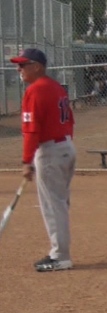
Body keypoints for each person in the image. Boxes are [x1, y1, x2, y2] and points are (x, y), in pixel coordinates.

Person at [10, 48, 77, 272]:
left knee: (53, 205)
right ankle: (58, 252)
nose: (18, 69)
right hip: (66, 147)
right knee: (59, 203)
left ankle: (60, 256)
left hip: (50, 151)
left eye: (23, 64)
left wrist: (26, 161)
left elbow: (31, 131)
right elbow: (71, 121)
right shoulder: (56, 87)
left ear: (37, 66)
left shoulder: (35, 91)